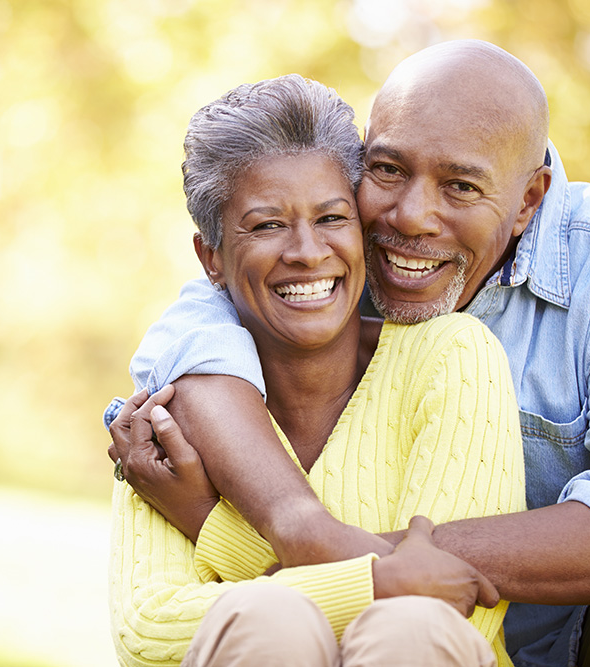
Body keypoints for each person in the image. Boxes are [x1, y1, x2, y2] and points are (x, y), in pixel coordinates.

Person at [106, 40, 590, 666]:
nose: (410, 217)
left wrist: (233, 527)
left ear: (528, 201)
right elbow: (200, 322)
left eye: (460, 187)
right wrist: (340, 558)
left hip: (559, 641)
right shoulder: (300, 273)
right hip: (317, 639)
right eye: (387, 170)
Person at [107, 73, 528, 667]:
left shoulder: (451, 357)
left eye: (332, 218)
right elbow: (149, 630)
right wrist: (379, 583)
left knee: (405, 631)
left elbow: (454, 607)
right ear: (211, 258)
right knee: (267, 624)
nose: (307, 252)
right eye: (268, 225)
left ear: (361, 226)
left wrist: (208, 523)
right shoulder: (173, 408)